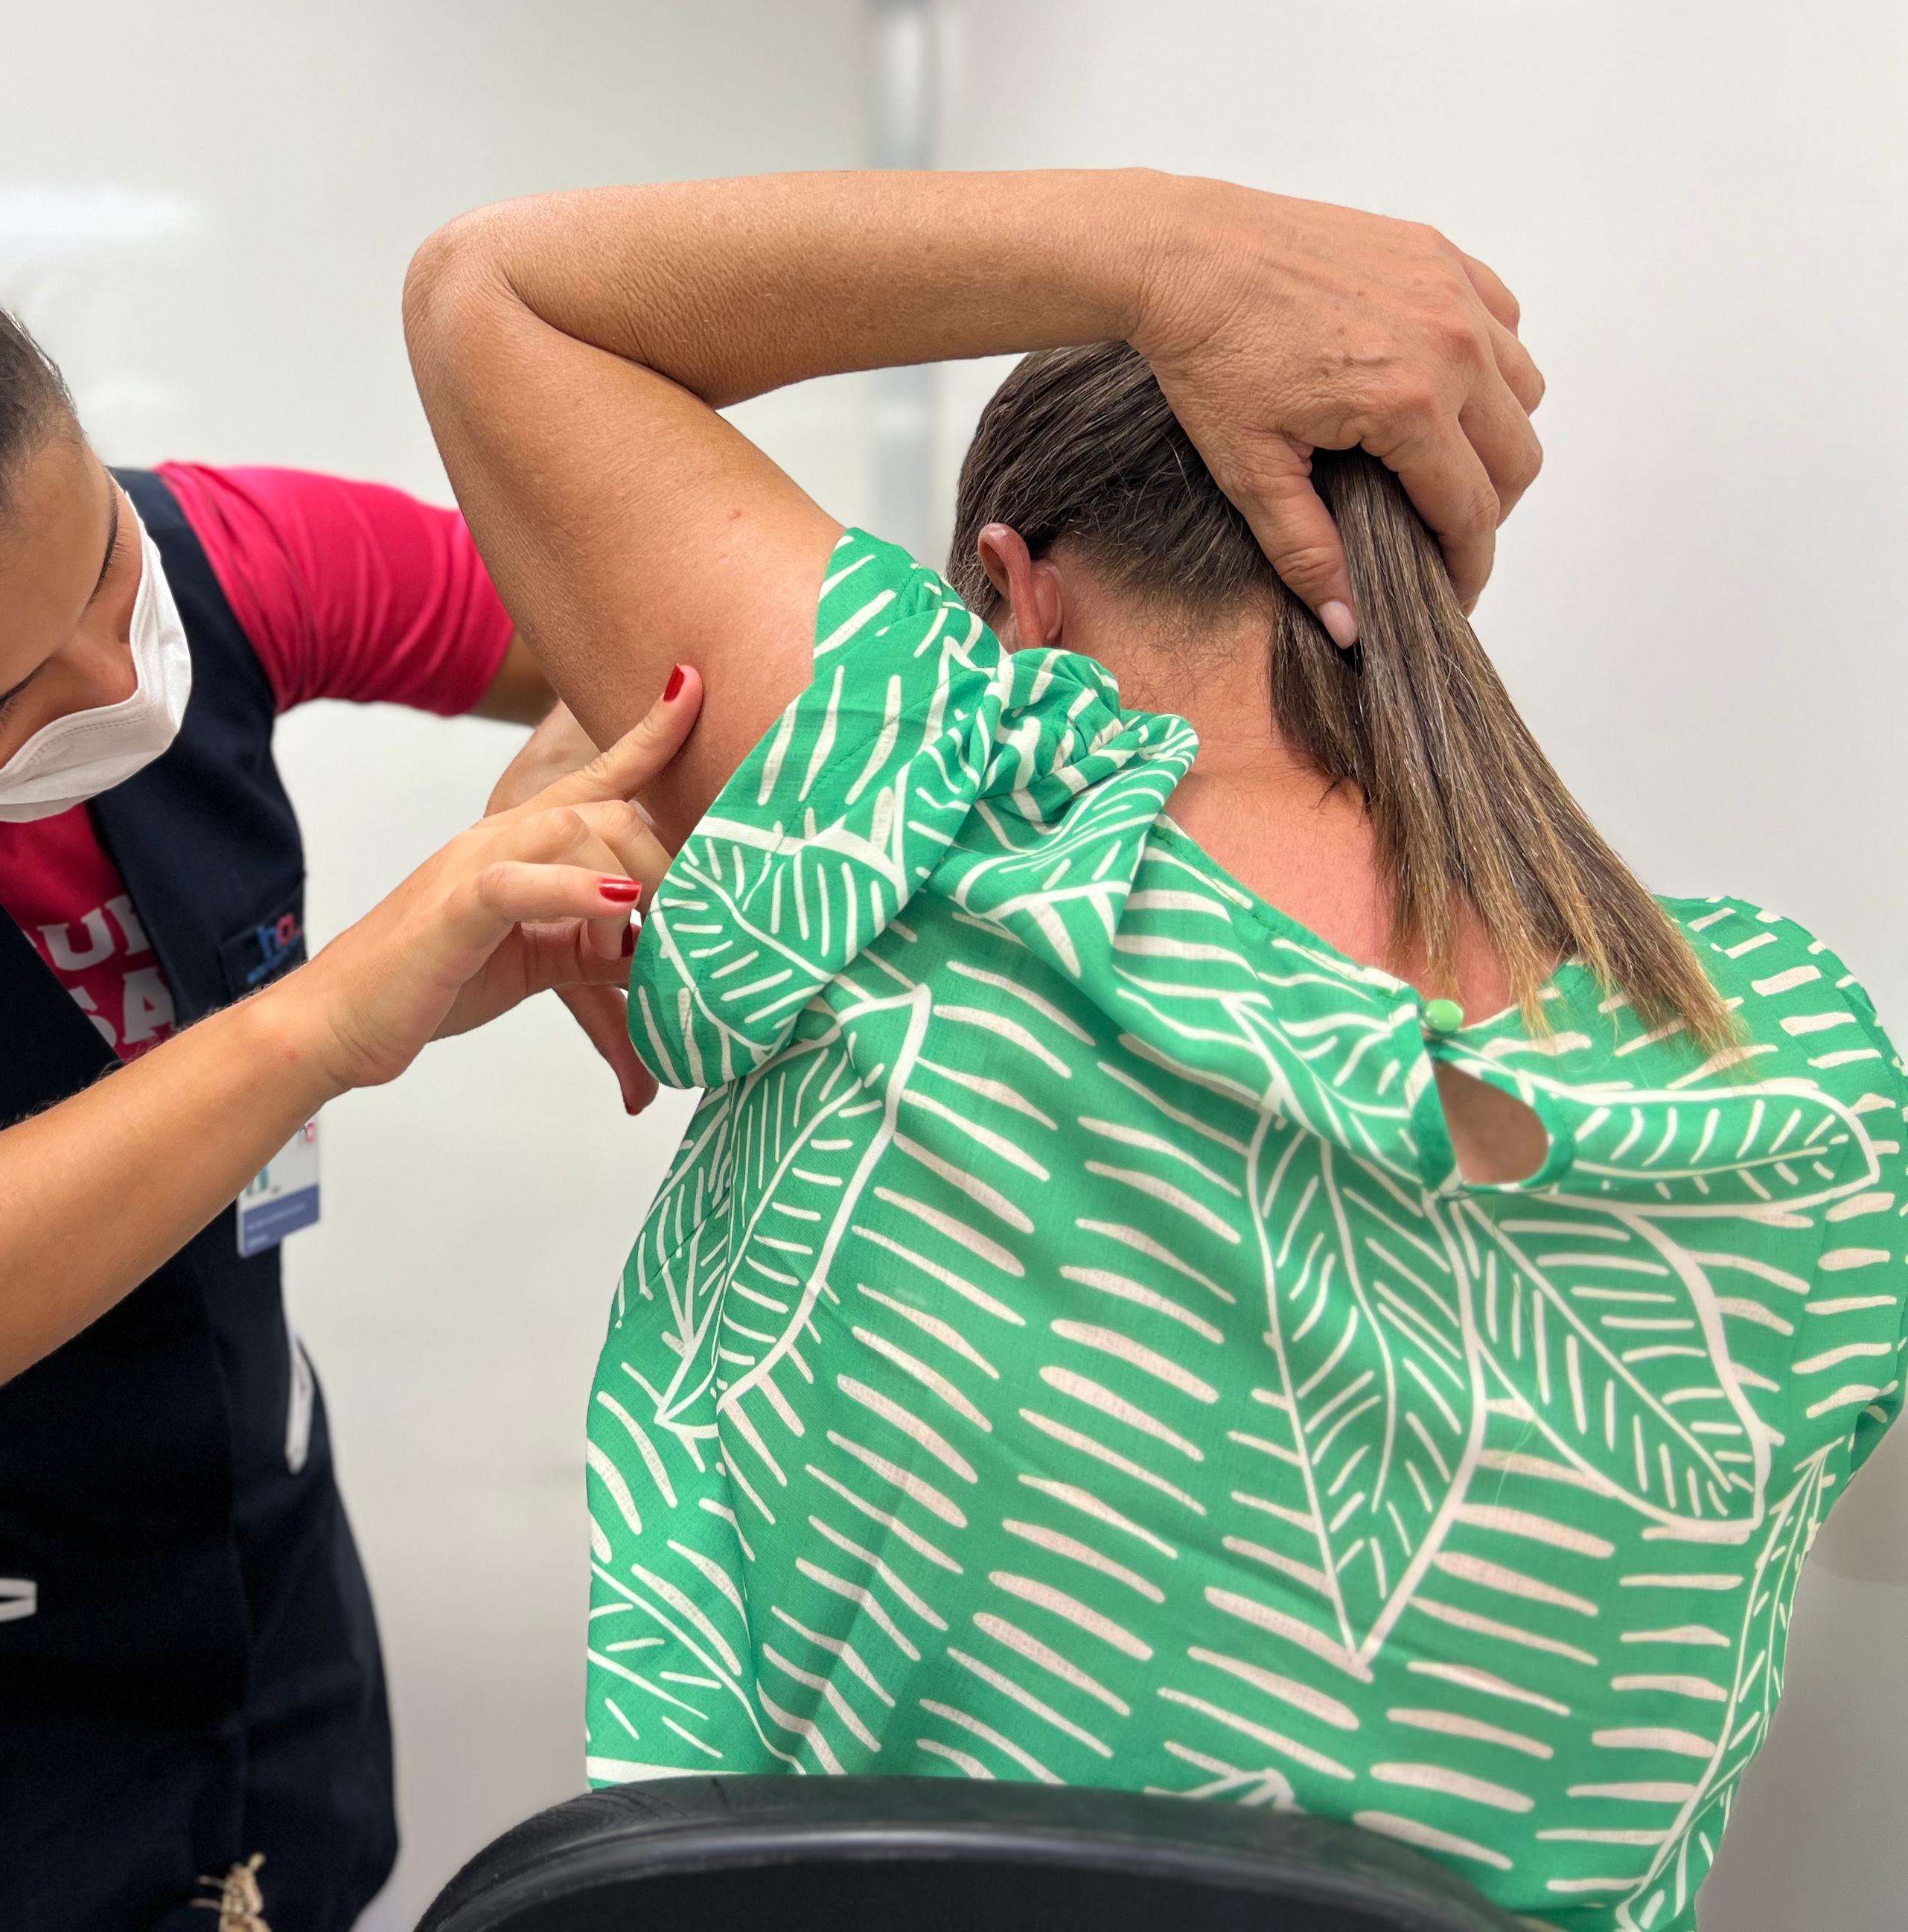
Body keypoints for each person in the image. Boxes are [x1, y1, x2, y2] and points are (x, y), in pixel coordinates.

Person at [0, 128, 1545, 1932]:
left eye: (91, 574)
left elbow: (667, 625)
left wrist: (616, 767)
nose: (105, 680)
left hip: (254, 1649)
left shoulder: (205, 561)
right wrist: (330, 1022)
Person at [406, 169, 1907, 1932]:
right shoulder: (1804, 1088)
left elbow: (494, 289)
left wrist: (1166, 259)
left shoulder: (943, 833)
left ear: (1006, 592)